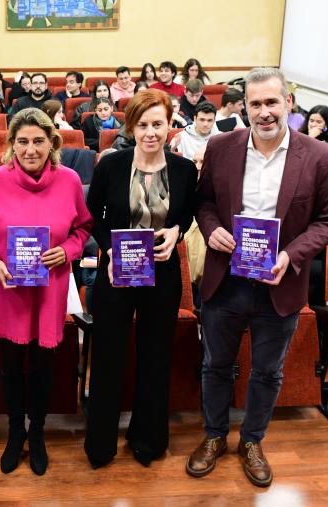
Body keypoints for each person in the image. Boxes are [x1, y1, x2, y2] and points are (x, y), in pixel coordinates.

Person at [187, 67, 328, 488]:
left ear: (288, 103)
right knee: (215, 365)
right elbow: (202, 203)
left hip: (280, 282)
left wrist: (291, 254)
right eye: (255, 104)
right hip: (226, 280)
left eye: (272, 102)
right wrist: (211, 227)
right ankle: (215, 435)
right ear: (245, 107)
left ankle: (252, 441)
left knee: (268, 372)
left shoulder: (320, 156)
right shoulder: (221, 147)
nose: (264, 112)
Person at [0, 107, 91, 475]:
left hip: (50, 287)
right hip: (9, 288)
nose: (30, 149)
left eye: (38, 141)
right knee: (9, 368)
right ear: (11, 144)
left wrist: (69, 250)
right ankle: (13, 433)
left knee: (42, 367)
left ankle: (36, 433)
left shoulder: (70, 180)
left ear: (52, 143)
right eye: (22, 141)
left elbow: (84, 229)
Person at [84, 88, 198, 469]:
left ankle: (147, 440)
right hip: (116, 271)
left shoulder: (184, 170)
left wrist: (176, 231)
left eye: (158, 124)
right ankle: (100, 444)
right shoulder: (110, 165)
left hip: (162, 272)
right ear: (130, 126)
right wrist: (108, 250)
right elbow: (92, 216)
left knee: (155, 356)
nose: (151, 132)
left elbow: (190, 213)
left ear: (170, 125)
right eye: (143, 125)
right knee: (107, 356)